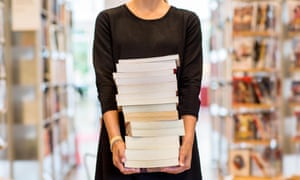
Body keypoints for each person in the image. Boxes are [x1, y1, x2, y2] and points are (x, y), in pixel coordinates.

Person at [92, 0, 203, 179]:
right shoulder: (108, 21)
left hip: (174, 142)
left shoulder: (187, 22)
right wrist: (115, 139)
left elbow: (191, 86)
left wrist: (187, 140)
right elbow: (105, 88)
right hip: (122, 143)